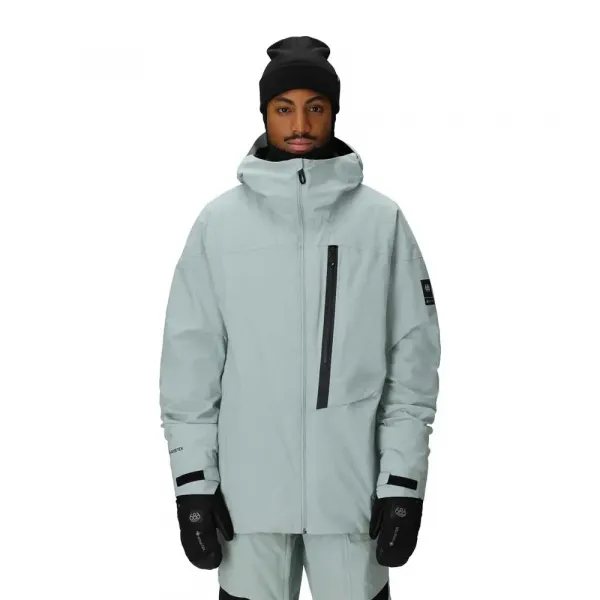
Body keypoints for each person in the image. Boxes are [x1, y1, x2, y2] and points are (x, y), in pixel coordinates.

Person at [158, 35, 441, 600]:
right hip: (248, 504)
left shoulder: (381, 222)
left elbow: (412, 364)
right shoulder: (219, 225)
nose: (301, 124)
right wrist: (193, 483)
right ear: (264, 114)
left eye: (316, 107)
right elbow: (190, 366)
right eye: (284, 108)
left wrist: (402, 485)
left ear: (334, 112)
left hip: (353, 501)